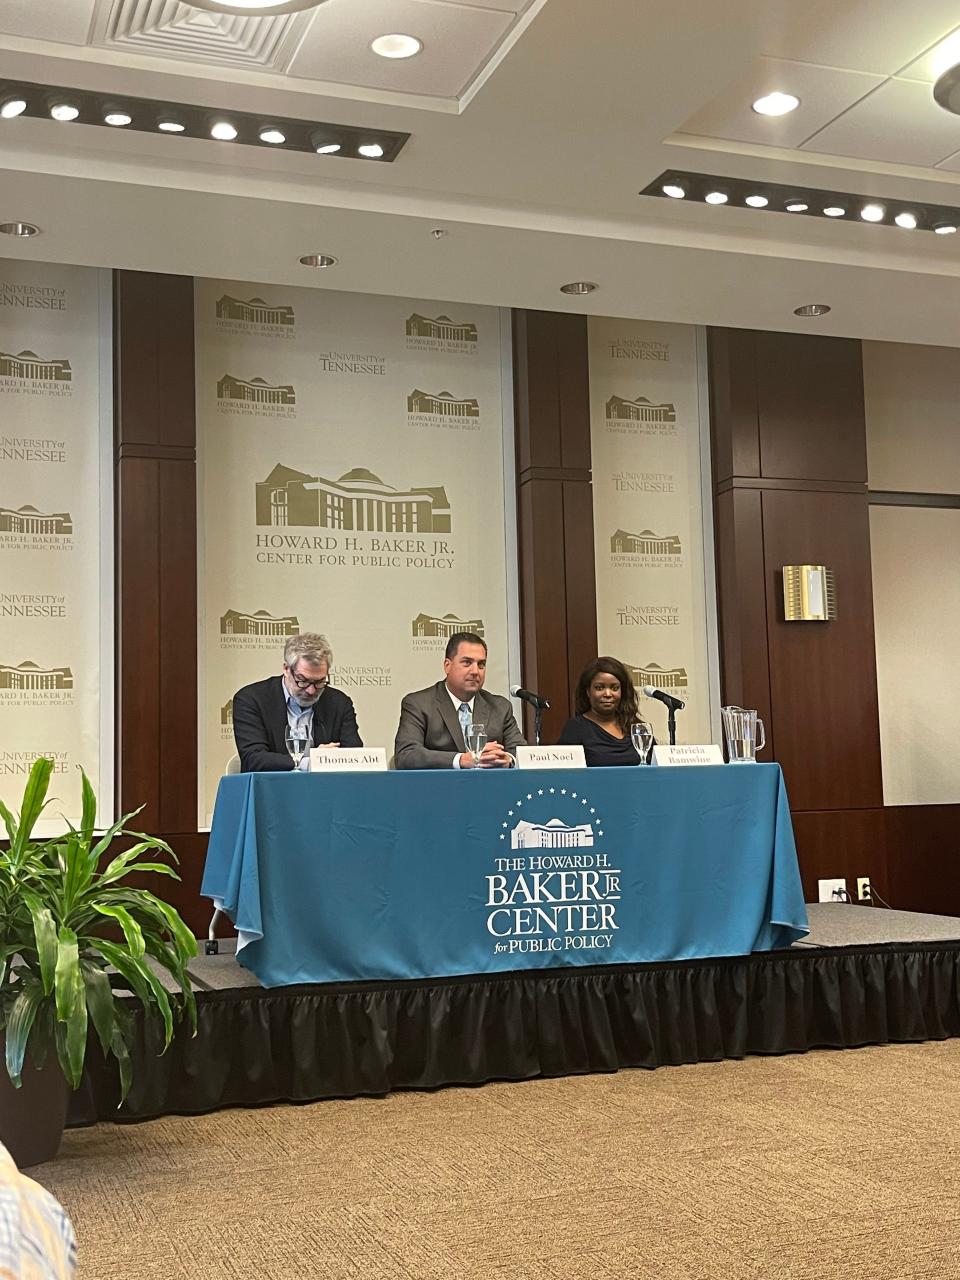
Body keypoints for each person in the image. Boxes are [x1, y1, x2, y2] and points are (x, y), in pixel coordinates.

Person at [394, 631, 526, 769]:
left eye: (481, 664)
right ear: (447, 666)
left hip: (489, 787)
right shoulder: (419, 704)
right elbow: (406, 755)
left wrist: (507, 759)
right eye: (467, 662)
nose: (475, 671)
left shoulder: (500, 707)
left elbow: (520, 752)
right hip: (439, 788)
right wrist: (460, 760)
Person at [232, 632, 362, 772]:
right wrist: (313, 761)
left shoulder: (339, 703)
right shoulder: (252, 699)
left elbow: (354, 754)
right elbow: (254, 759)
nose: (311, 690)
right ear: (286, 669)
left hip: (327, 789)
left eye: (319, 682)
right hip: (273, 789)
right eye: (303, 681)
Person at [557, 656, 653, 766]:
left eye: (614, 688)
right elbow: (565, 775)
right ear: (588, 691)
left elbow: (656, 766)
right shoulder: (575, 728)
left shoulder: (636, 727)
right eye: (599, 688)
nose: (608, 694)